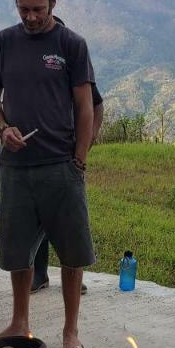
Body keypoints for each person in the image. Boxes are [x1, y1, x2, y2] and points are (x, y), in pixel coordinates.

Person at [0, 0, 96, 348]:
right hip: (16, 168)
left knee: (72, 252)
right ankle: (19, 321)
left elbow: (85, 107)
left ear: (53, 2)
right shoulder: (3, 43)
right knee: (18, 252)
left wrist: (79, 158)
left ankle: (70, 330)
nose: (30, 17)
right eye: (23, 9)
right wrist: (2, 129)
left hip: (60, 166)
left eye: (38, 10)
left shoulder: (71, 45)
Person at [31, 70, 104, 294]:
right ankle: (38, 274)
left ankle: (72, 276)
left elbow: (97, 105)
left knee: (67, 221)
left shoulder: (71, 67)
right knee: (36, 218)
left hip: (68, 158)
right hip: (33, 155)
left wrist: (88, 141)